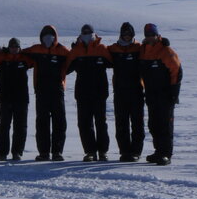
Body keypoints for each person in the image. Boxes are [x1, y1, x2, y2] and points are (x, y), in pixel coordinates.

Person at [65, 24, 113, 161]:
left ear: (94, 34)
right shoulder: (76, 50)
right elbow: (66, 69)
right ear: (80, 34)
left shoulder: (102, 49)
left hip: (100, 92)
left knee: (101, 123)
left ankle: (103, 151)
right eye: (84, 32)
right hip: (82, 93)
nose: (87, 34)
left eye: (89, 32)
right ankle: (90, 151)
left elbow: (114, 63)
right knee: (84, 123)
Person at [22, 25, 69, 161]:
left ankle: (57, 152)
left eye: (51, 35)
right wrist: (5, 50)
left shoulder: (62, 50)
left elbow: (73, 60)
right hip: (41, 90)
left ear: (55, 36)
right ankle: (43, 152)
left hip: (57, 90)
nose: (48, 37)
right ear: (41, 37)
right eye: (45, 35)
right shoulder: (36, 49)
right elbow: (20, 53)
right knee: (42, 122)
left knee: (59, 121)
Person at [139, 23, 182, 166]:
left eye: (152, 35)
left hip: (165, 95)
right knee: (153, 124)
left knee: (165, 125)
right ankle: (158, 151)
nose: (150, 37)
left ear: (157, 35)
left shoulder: (166, 51)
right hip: (151, 94)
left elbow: (176, 71)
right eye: (148, 35)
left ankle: (166, 154)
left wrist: (174, 93)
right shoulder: (143, 50)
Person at [107, 22, 145, 162]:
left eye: (129, 34)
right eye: (124, 34)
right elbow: (98, 51)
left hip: (136, 91)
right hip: (120, 92)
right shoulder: (113, 49)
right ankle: (124, 151)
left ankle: (136, 151)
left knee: (137, 123)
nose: (127, 36)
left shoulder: (139, 48)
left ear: (133, 35)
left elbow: (153, 49)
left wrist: (163, 43)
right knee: (121, 123)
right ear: (121, 34)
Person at [0, 37, 32, 161]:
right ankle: (2, 153)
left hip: (22, 98)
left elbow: (37, 56)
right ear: (8, 47)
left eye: (16, 47)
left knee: (20, 126)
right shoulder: (2, 58)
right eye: (12, 47)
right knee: (4, 126)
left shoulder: (25, 59)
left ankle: (17, 152)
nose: (14, 49)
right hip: (5, 98)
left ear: (19, 48)